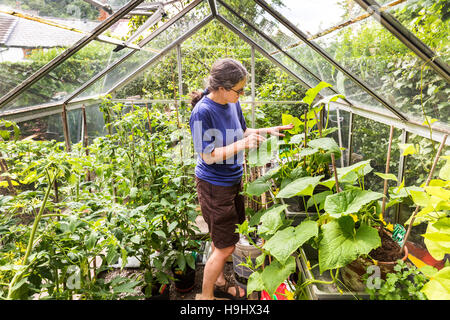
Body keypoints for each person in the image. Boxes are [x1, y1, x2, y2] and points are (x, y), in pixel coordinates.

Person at [189, 58, 293, 300]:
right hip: (214, 185)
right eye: (240, 90)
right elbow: (208, 156)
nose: (242, 94)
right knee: (226, 247)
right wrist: (243, 145)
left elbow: (242, 131)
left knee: (222, 239)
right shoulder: (202, 113)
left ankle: (220, 283)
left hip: (231, 181)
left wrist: (268, 131)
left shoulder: (231, 103)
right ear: (223, 88)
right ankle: (205, 298)